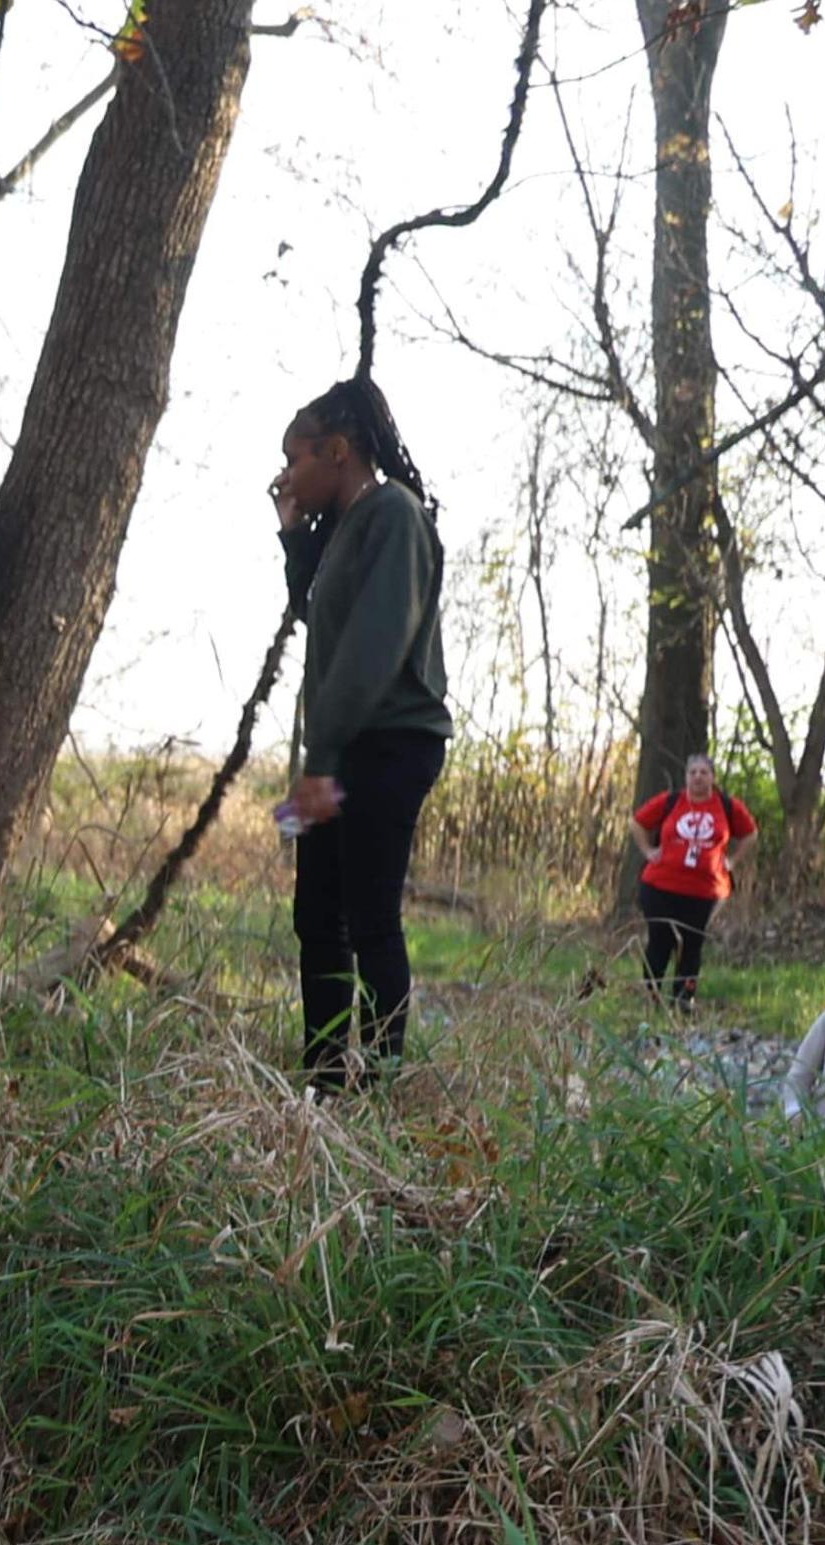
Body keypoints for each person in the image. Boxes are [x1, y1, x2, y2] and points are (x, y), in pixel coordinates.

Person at [271, 376, 456, 1088]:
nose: (285, 473)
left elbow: (372, 650)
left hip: (388, 746)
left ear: (338, 451)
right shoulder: (343, 527)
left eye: (295, 458)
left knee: (368, 916)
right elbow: (319, 617)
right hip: (340, 749)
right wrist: (291, 532)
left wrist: (319, 759)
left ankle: (378, 1085)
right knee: (314, 915)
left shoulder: (394, 516)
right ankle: (321, 1080)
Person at [627, 754, 755, 1006]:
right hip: (660, 886)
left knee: (692, 943)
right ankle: (651, 995)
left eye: (704, 772)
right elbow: (637, 823)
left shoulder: (728, 806)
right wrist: (648, 851)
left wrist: (732, 861)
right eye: (693, 772)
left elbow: (750, 834)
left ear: (712, 777)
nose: (698, 777)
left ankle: (683, 1000)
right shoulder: (670, 801)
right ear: (686, 777)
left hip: (705, 891)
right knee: (661, 939)